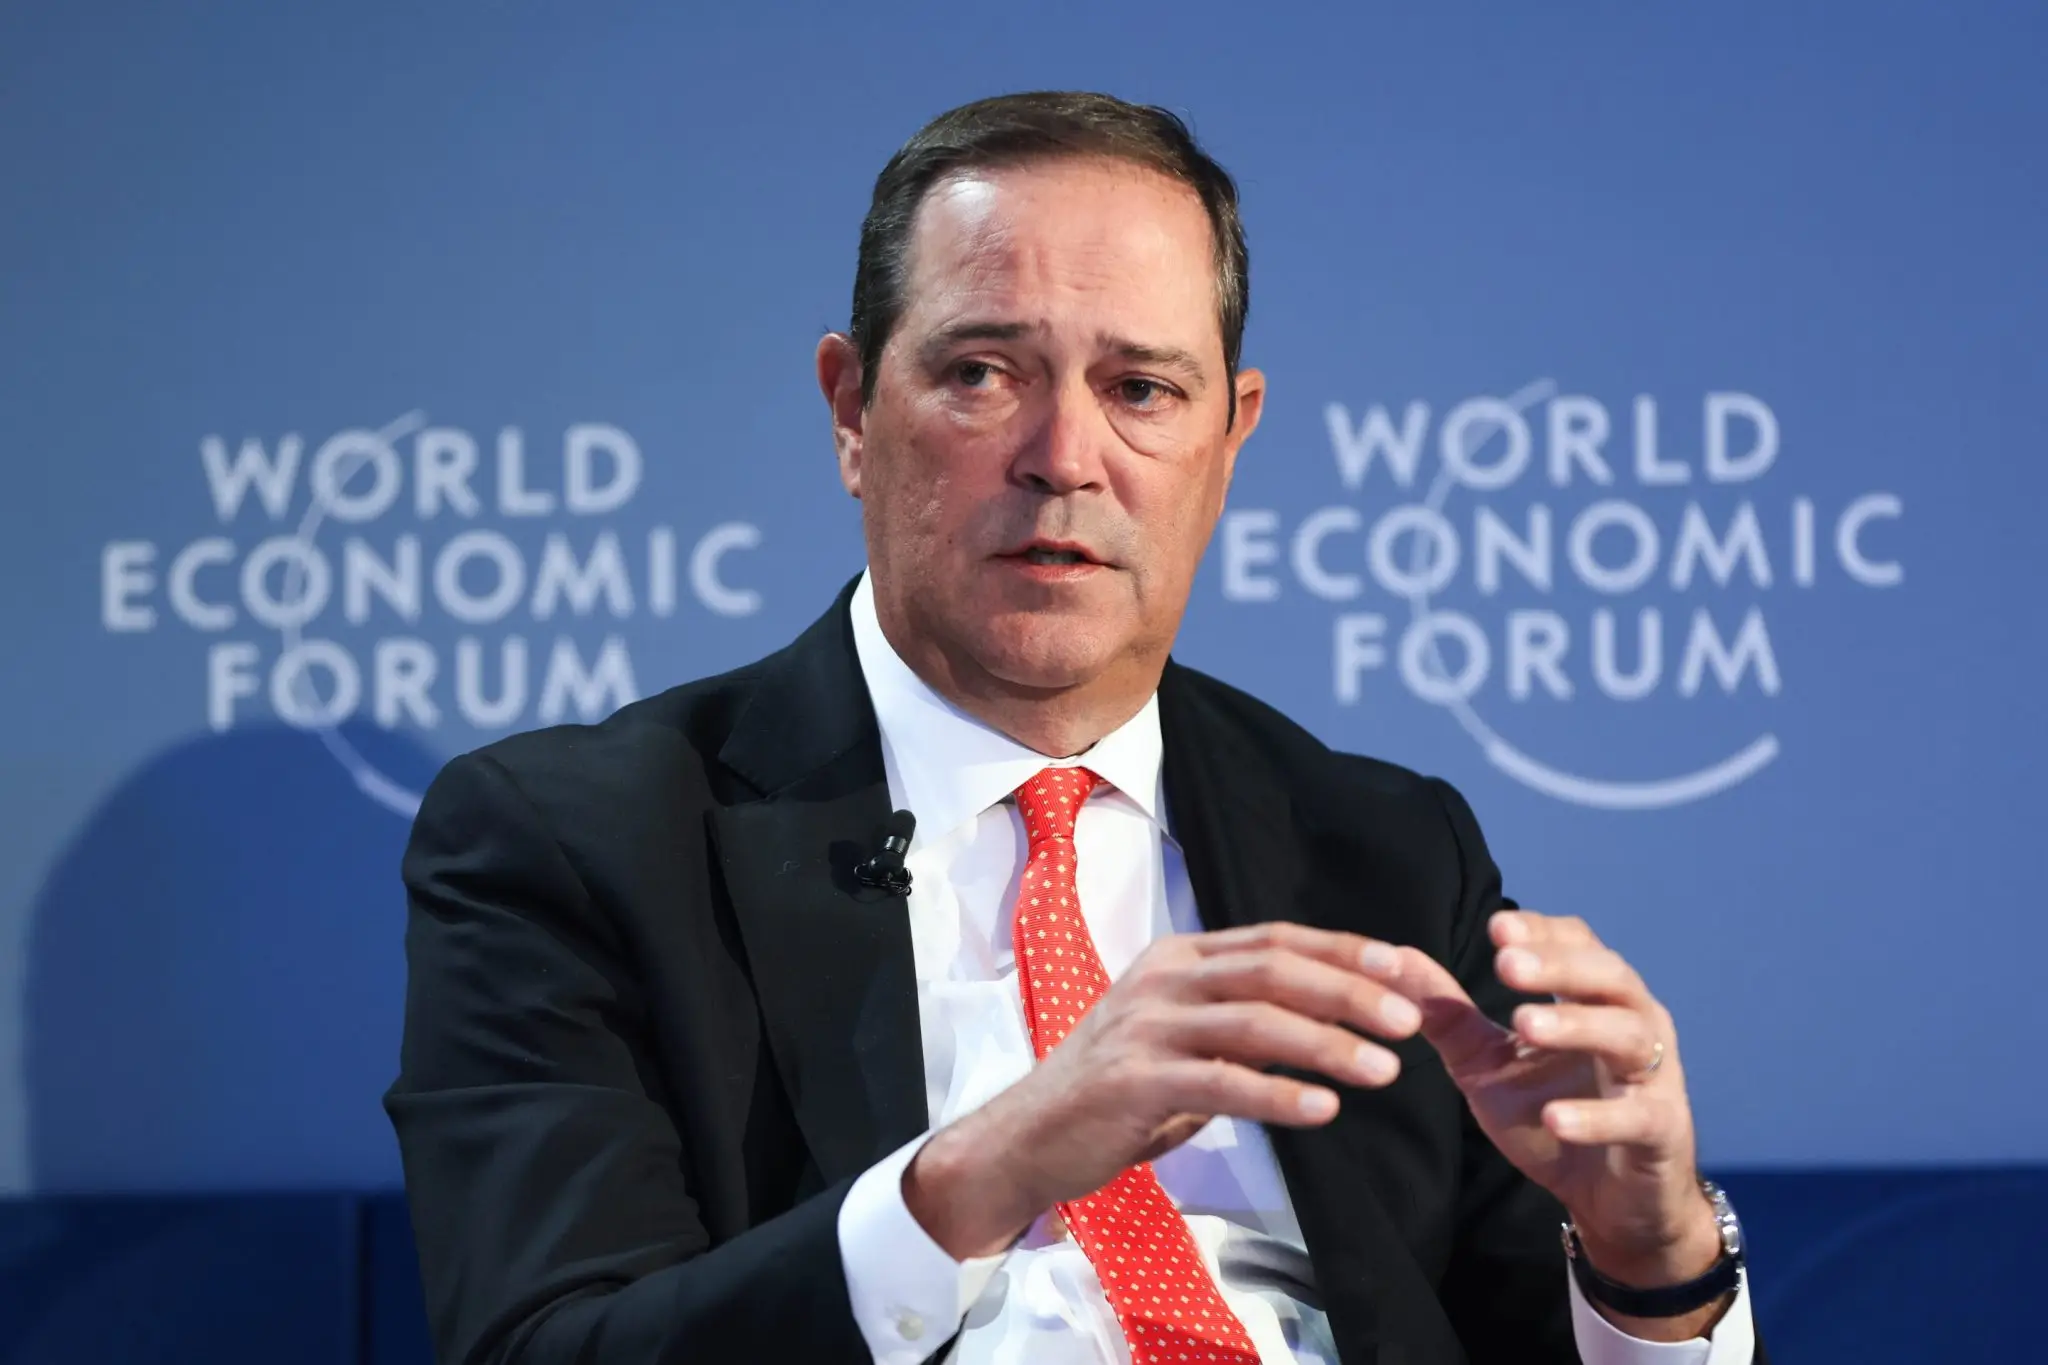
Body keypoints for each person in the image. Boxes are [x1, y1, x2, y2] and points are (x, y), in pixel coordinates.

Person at [386, 91, 1761, 1365]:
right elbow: (543, 1346)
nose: (1064, 457)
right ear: (853, 410)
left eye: (1142, 389)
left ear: (1230, 439)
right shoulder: (584, 844)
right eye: (984, 372)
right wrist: (991, 1167)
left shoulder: (1386, 854)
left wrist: (1650, 1260)